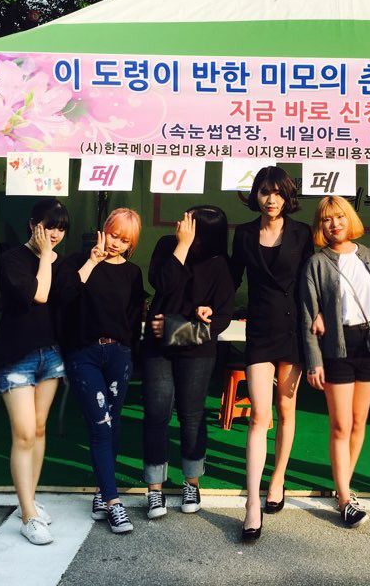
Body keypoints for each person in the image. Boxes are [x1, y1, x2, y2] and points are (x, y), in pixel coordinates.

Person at [300, 195, 370, 529]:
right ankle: (344, 499)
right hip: (336, 347)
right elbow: (308, 315)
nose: (334, 224)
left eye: (339, 216)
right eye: (327, 219)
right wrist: (314, 361)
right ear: (320, 226)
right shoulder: (316, 263)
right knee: (340, 424)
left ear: (350, 218)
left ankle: (345, 485)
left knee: (358, 421)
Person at [230, 167, 313, 542]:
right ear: (256, 196)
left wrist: (321, 315)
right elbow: (231, 277)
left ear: (287, 196)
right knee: (259, 416)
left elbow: (311, 280)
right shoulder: (244, 233)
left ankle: (277, 478)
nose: (271, 199)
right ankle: (252, 504)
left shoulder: (302, 233)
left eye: (278, 192)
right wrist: (206, 303)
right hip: (260, 330)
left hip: (294, 330)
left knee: (285, 408)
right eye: (265, 192)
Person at [55, 208, 145, 535]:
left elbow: (134, 318)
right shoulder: (77, 262)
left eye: (125, 239)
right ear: (103, 230)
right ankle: (113, 501)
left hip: (119, 353)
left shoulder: (133, 273)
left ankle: (101, 491)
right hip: (84, 354)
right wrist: (91, 262)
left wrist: (131, 354)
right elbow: (63, 299)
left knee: (112, 421)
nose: (117, 243)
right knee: (101, 423)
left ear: (132, 243)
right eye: (113, 235)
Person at [142, 206, 235, 519]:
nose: (181, 224)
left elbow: (223, 316)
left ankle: (191, 483)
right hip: (158, 349)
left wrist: (176, 328)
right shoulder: (168, 246)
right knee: (156, 413)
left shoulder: (220, 264)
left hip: (196, 349)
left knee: (192, 415)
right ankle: (154, 488)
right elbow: (162, 283)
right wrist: (181, 246)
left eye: (189, 222)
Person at [0, 198, 69, 545]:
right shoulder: (12, 259)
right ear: (32, 224)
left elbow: (67, 299)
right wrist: (45, 258)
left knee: (39, 429)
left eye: (61, 228)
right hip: (17, 356)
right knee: (24, 433)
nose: (54, 233)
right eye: (49, 226)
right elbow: (39, 295)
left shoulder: (58, 261)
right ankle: (27, 516)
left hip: (50, 355)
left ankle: (30, 501)